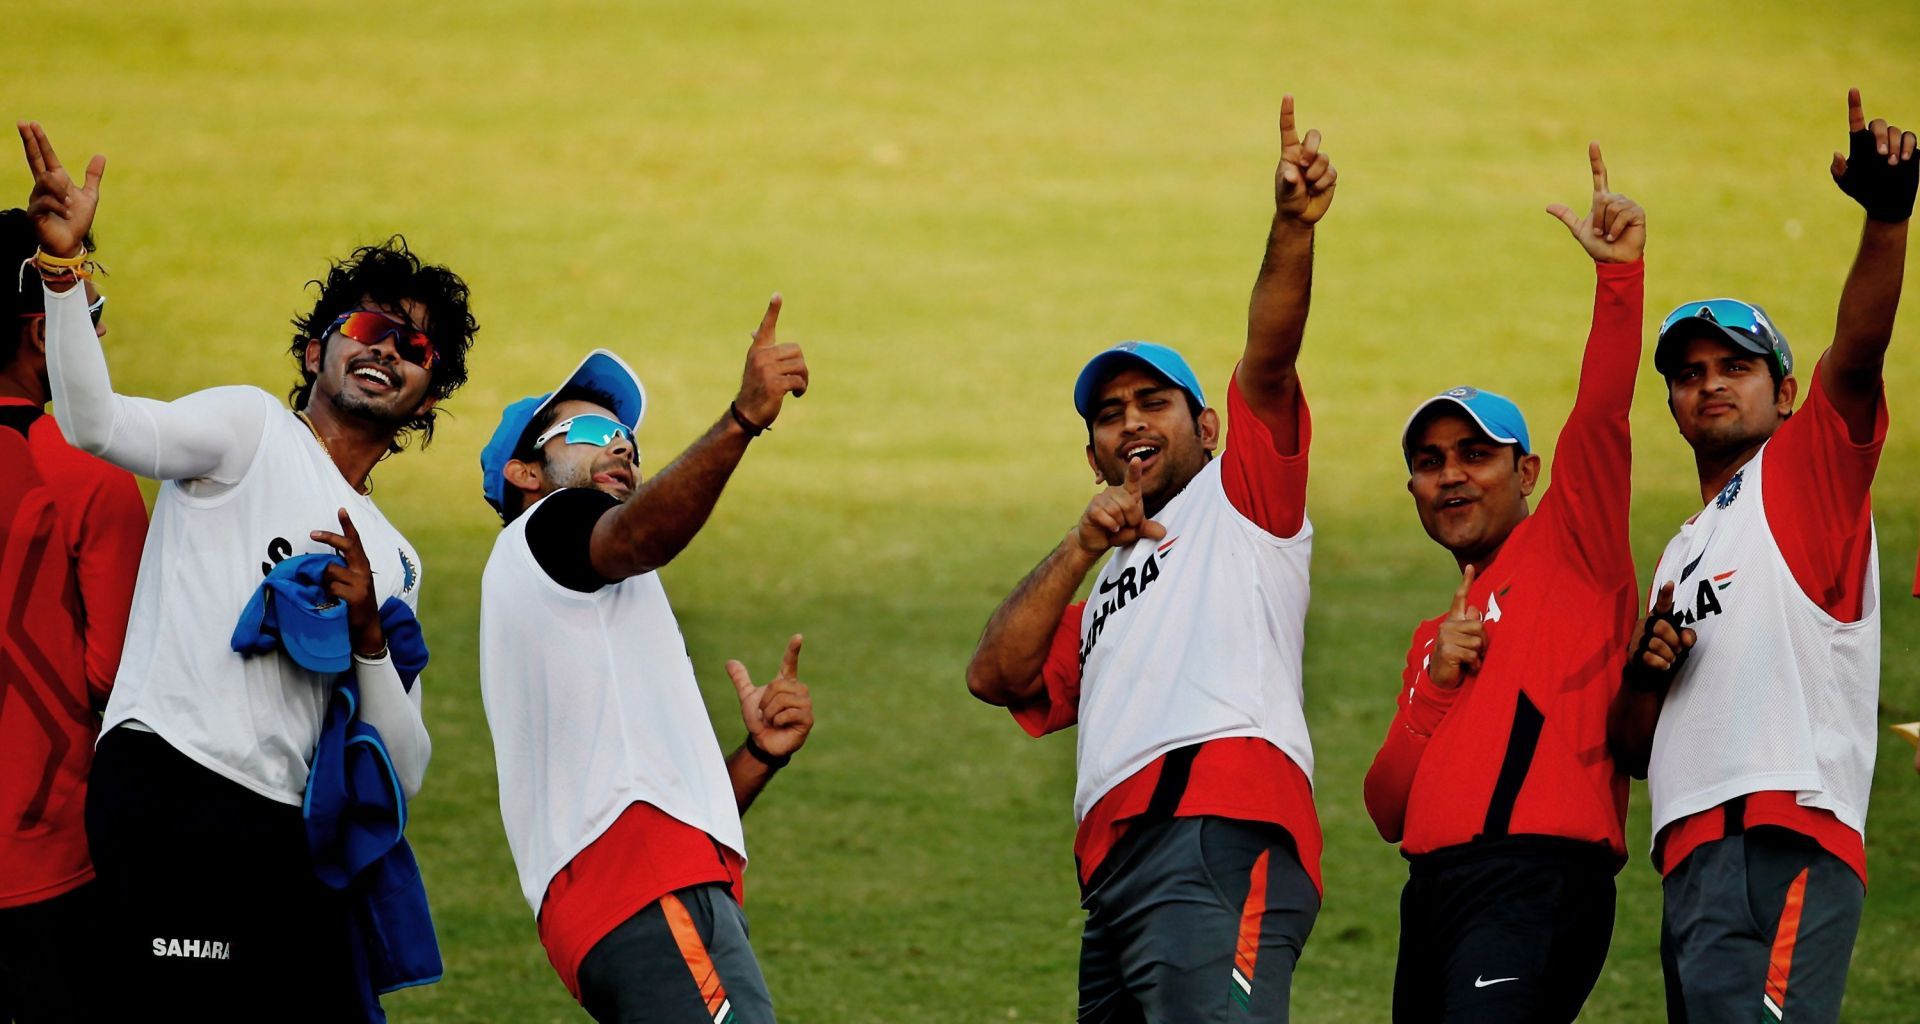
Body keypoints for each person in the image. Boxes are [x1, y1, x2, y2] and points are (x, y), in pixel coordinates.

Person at [17, 120, 477, 1019]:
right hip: (171, 786)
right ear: (317, 351)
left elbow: (405, 766)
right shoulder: (249, 429)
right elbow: (97, 425)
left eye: (416, 349)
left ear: (427, 398)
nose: (388, 350)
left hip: (281, 829)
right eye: (372, 328)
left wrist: (371, 637)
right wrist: (65, 280)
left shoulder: (395, 558)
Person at [964, 97, 1334, 1023]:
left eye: (1153, 401)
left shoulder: (1243, 498)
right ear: (1092, 455)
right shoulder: (1104, 595)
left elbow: (1272, 355)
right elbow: (996, 674)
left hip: (1218, 833)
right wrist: (1082, 545)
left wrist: (1290, 227)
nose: (1131, 420)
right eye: (1109, 412)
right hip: (1117, 874)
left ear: (1206, 427)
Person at [1609, 88, 1914, 1023]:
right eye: (1689, 373)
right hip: (1693, 859)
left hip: (1786, 837)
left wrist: (1887, 218)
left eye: (1733, 366)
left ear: (1785, 391)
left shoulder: (1804, 476)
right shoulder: (1679, 553)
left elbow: (1857, 358)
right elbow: (1631, 749)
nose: (1708, 385)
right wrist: (1646, 676)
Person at [1360, 145, 1646, 1023]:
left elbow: (1600, 413)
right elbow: (1384, 805)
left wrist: (1620, 282)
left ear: (1527, 471)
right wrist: (1435, 689)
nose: (1451, 476)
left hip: (1535, 881)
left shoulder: (1575, 547)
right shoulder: (1433, 633)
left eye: (1476, 456)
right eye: (1430, 462)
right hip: (1433, 895)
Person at [476, 307, 814, 1023]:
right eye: (593, 431)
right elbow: (638, 535)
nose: (622, 446)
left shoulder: (579, 600)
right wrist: (741, 420)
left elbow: (643, 797)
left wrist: (756, 756)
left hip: (639, 898)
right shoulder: (547, 525)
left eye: (628, 437)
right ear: (525, 472)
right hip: (646, 894)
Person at [0, 207, 146, 1023]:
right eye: (88, 318)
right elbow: (114, 677)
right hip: (41, 860)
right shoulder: (89, 476)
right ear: (37, 333)